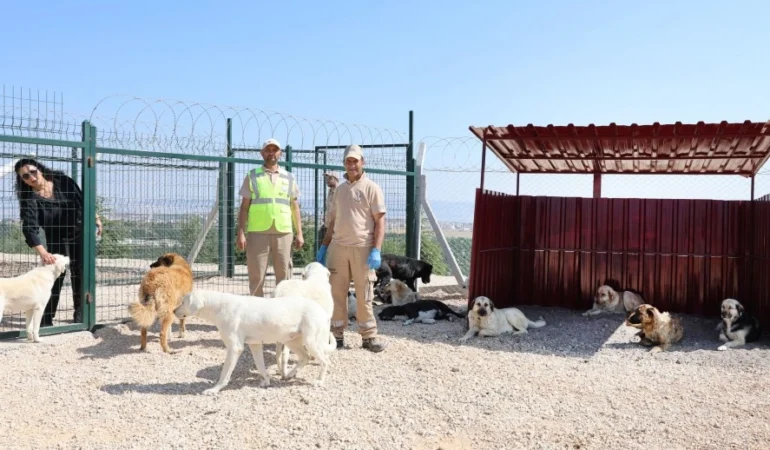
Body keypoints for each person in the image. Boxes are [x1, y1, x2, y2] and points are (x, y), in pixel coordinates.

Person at [14, 158, 103, 326]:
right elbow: (30, 229)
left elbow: (83, 200)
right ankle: (45, 319)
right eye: (25, 176)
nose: (31, 177)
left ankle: (81, 315)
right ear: (22, 180)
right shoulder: (29, 199)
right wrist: (43, 252)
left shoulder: (63, 181)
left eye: (33, 172)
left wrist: (96, 218)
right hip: (55, 236)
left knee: (80, 273)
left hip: (79, 232)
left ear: (40, 169)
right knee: (54, 275)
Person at [316, 144, 387, 352]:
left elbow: (380, 222)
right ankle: (336, 335)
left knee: (365, 293)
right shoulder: (339, 191)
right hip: (338, 248)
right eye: (348, 161)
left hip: (363, 248)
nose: (352, 165)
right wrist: (323, 248)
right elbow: (332, 223)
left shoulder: (372, 188)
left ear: (362, 162)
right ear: (344, 164)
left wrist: (376, 249)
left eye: (355, 161)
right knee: (337, 293)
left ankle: (369, 336)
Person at [236, 138, 304, 297]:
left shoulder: (289, 177)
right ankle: (257, 316)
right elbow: (244, 207)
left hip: (284, 232)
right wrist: (241, 232)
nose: (271, 153)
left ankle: (282, 315)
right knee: (256, 276)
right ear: (262, 153)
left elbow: (294, 206)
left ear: (280, 153)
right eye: (268, 150)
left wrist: (299, 232)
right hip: (258, 232)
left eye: (275, 150)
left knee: (284, 279)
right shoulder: (252, 176)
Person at [317, 171, 339, 243]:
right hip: (327, 224)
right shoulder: (330, 191)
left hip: (336, 226)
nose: (327, 180)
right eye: (326, 178)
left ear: (335, 179)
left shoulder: (340, 192)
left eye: (329, 178)